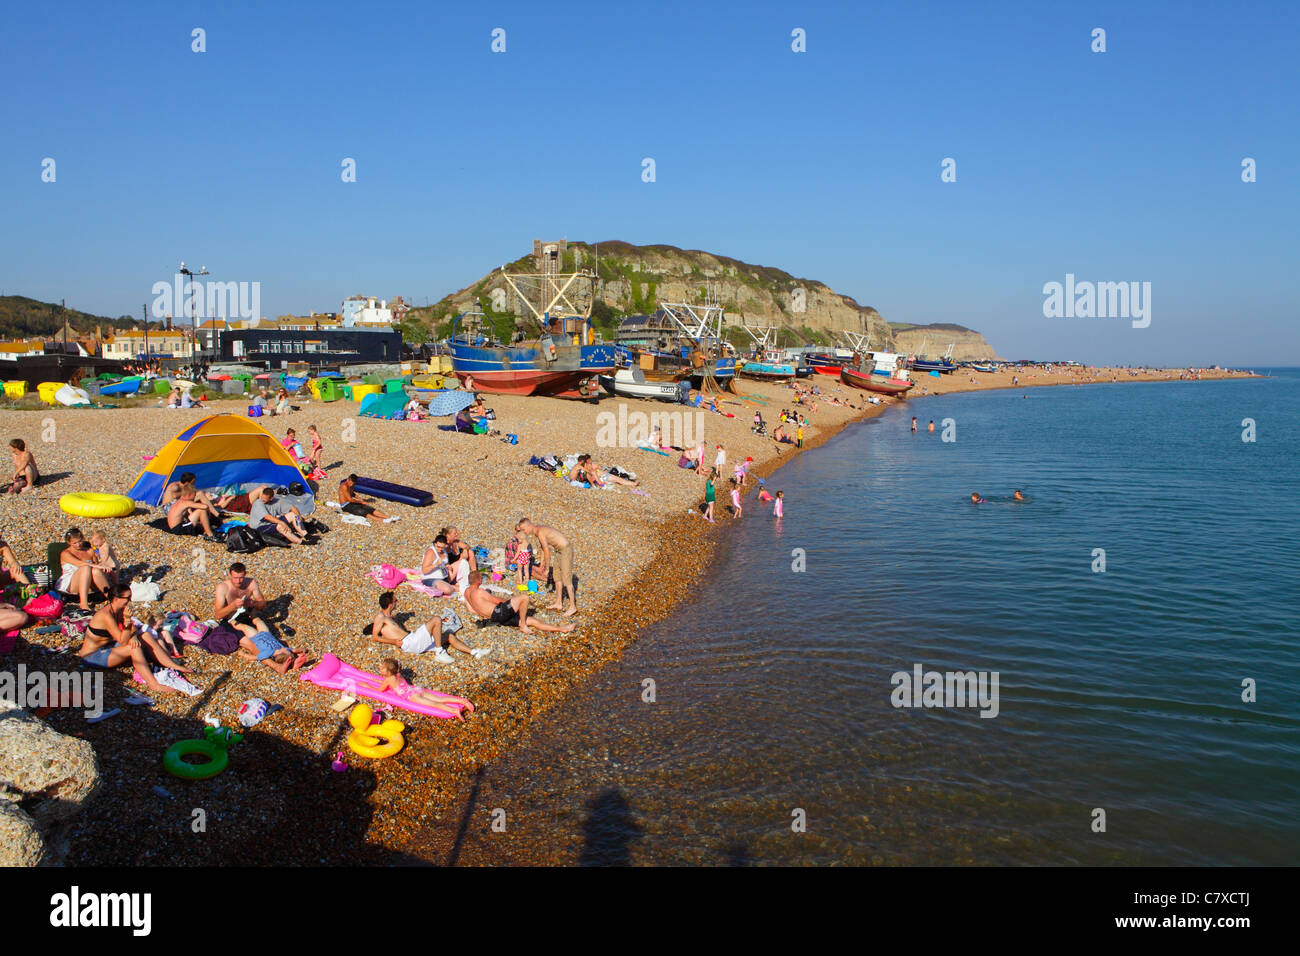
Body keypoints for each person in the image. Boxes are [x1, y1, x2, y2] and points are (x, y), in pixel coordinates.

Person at [79, 585, 186, 693]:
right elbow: (123, 640)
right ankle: (153, 684)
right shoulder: (106, 615)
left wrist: (134, 636)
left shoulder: (119, 609)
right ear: (116, 599)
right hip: (92, 656)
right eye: (127, 598)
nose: (130, 601)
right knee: (133, 647)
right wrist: (127, 620)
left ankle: (171, 664)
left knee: (145, 635)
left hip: (109, 647)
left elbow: (133, 629)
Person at [368, 591, 490, 662]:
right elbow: (375, 637)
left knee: (448, 635)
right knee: (436, 620)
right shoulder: (380, 617)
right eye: (395, 601)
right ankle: (439, 652)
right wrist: (394, 642)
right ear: (390, 604)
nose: (397, 601)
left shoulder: (390, 617)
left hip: (412, 639)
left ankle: (474, 652)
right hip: (409, 642)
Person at [463, 570, 575, 636]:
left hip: (494, 618)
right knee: (524, 597)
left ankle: (562, 629)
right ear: (478, 580)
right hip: (499, 613)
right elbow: (497, 601)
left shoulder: (466, 592)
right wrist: (509, 603)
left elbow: (471, 610)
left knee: (532, 620)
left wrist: (483, 611)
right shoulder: (479, 591)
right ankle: (523, 625)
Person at [371, 659, 474, 721]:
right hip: (416, 689)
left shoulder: (388, 680)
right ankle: (462, 700)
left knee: (433, 704)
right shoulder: (397, 674)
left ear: (388, 671)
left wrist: (367, 686)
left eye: (382, 668)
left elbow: (379, 690)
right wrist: (376, 679)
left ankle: (454, 710)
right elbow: (387, 682)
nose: (380, 668)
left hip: (412, 696)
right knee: (439, 699)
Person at [515, 519, 577, 616]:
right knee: (557, 577)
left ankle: (573, 606)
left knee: (566, 579)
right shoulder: (537, 531)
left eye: (523, 529)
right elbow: (543, 549)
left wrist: (547, 569)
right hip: (558, 550)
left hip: (565, 549)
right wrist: (542, 564)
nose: (523, 532)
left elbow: (547, 550)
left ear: (528, 526)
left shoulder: (540, 532)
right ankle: (558, 602)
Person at [55, 528, 111, 610]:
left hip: (90, 583)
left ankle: (111, 597)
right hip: (71, 584)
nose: (78, 544)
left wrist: (103, 565)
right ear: (69, 543)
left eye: (80, 541)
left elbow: (96, 565)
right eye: (74, 543)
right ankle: (83, 604)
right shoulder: (65, 554)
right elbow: (80, 563)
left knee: (95, 571)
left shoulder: (89, 551)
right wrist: (98, 566)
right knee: (85, 567)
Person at [233, 615, 308, 673]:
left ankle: (230, 619)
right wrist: (303, 650)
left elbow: (255, 657)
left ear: (280, 653)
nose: (286, 648)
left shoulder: (268, 653)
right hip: (266, 633)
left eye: (285, 650)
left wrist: (243, 654)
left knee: (244, 627)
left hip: (256, 637)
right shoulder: (284, 650)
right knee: (259, 621)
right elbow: (294, 650)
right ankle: (251, 612)